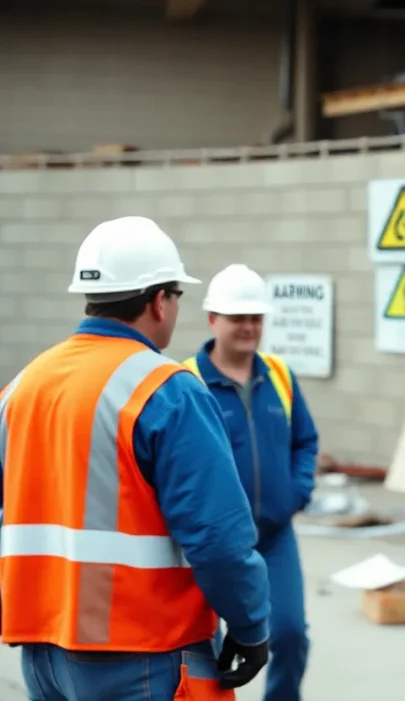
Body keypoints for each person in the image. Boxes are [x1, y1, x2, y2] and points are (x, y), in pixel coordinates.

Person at [0, 216, 271, 701]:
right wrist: (251, 626)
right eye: (176, 297)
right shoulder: (167, 391)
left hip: (41, 653)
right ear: (159, 300)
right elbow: (218, 539)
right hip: (143, 652)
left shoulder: (22, 387)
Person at [182, 263, 319, 701]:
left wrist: (296, 493)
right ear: (212, 320)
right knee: (210, 649)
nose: (248, 327)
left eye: (255, 318)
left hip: (275, 535)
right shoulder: (187, 382)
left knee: (291, 635)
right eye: (236, 317)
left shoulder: (280, 375)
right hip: (213, 540)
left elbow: (306, 441)